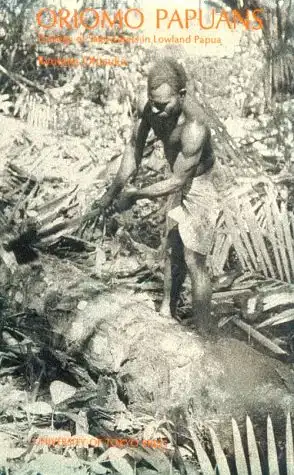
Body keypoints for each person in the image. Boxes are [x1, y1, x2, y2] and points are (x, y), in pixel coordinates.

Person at [99, 57, 220, 335]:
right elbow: (134, 150)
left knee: (194, 260)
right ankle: (167, 312)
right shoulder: (152, 107)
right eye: (152, 102)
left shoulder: (194, 127)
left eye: (163, 104)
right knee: (172, 248)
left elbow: (179, 180)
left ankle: (204, 335)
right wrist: (111, 193)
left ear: (181, 95)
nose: (156, 109)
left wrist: (136, 194)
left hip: (199, 183)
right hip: (177, 178)